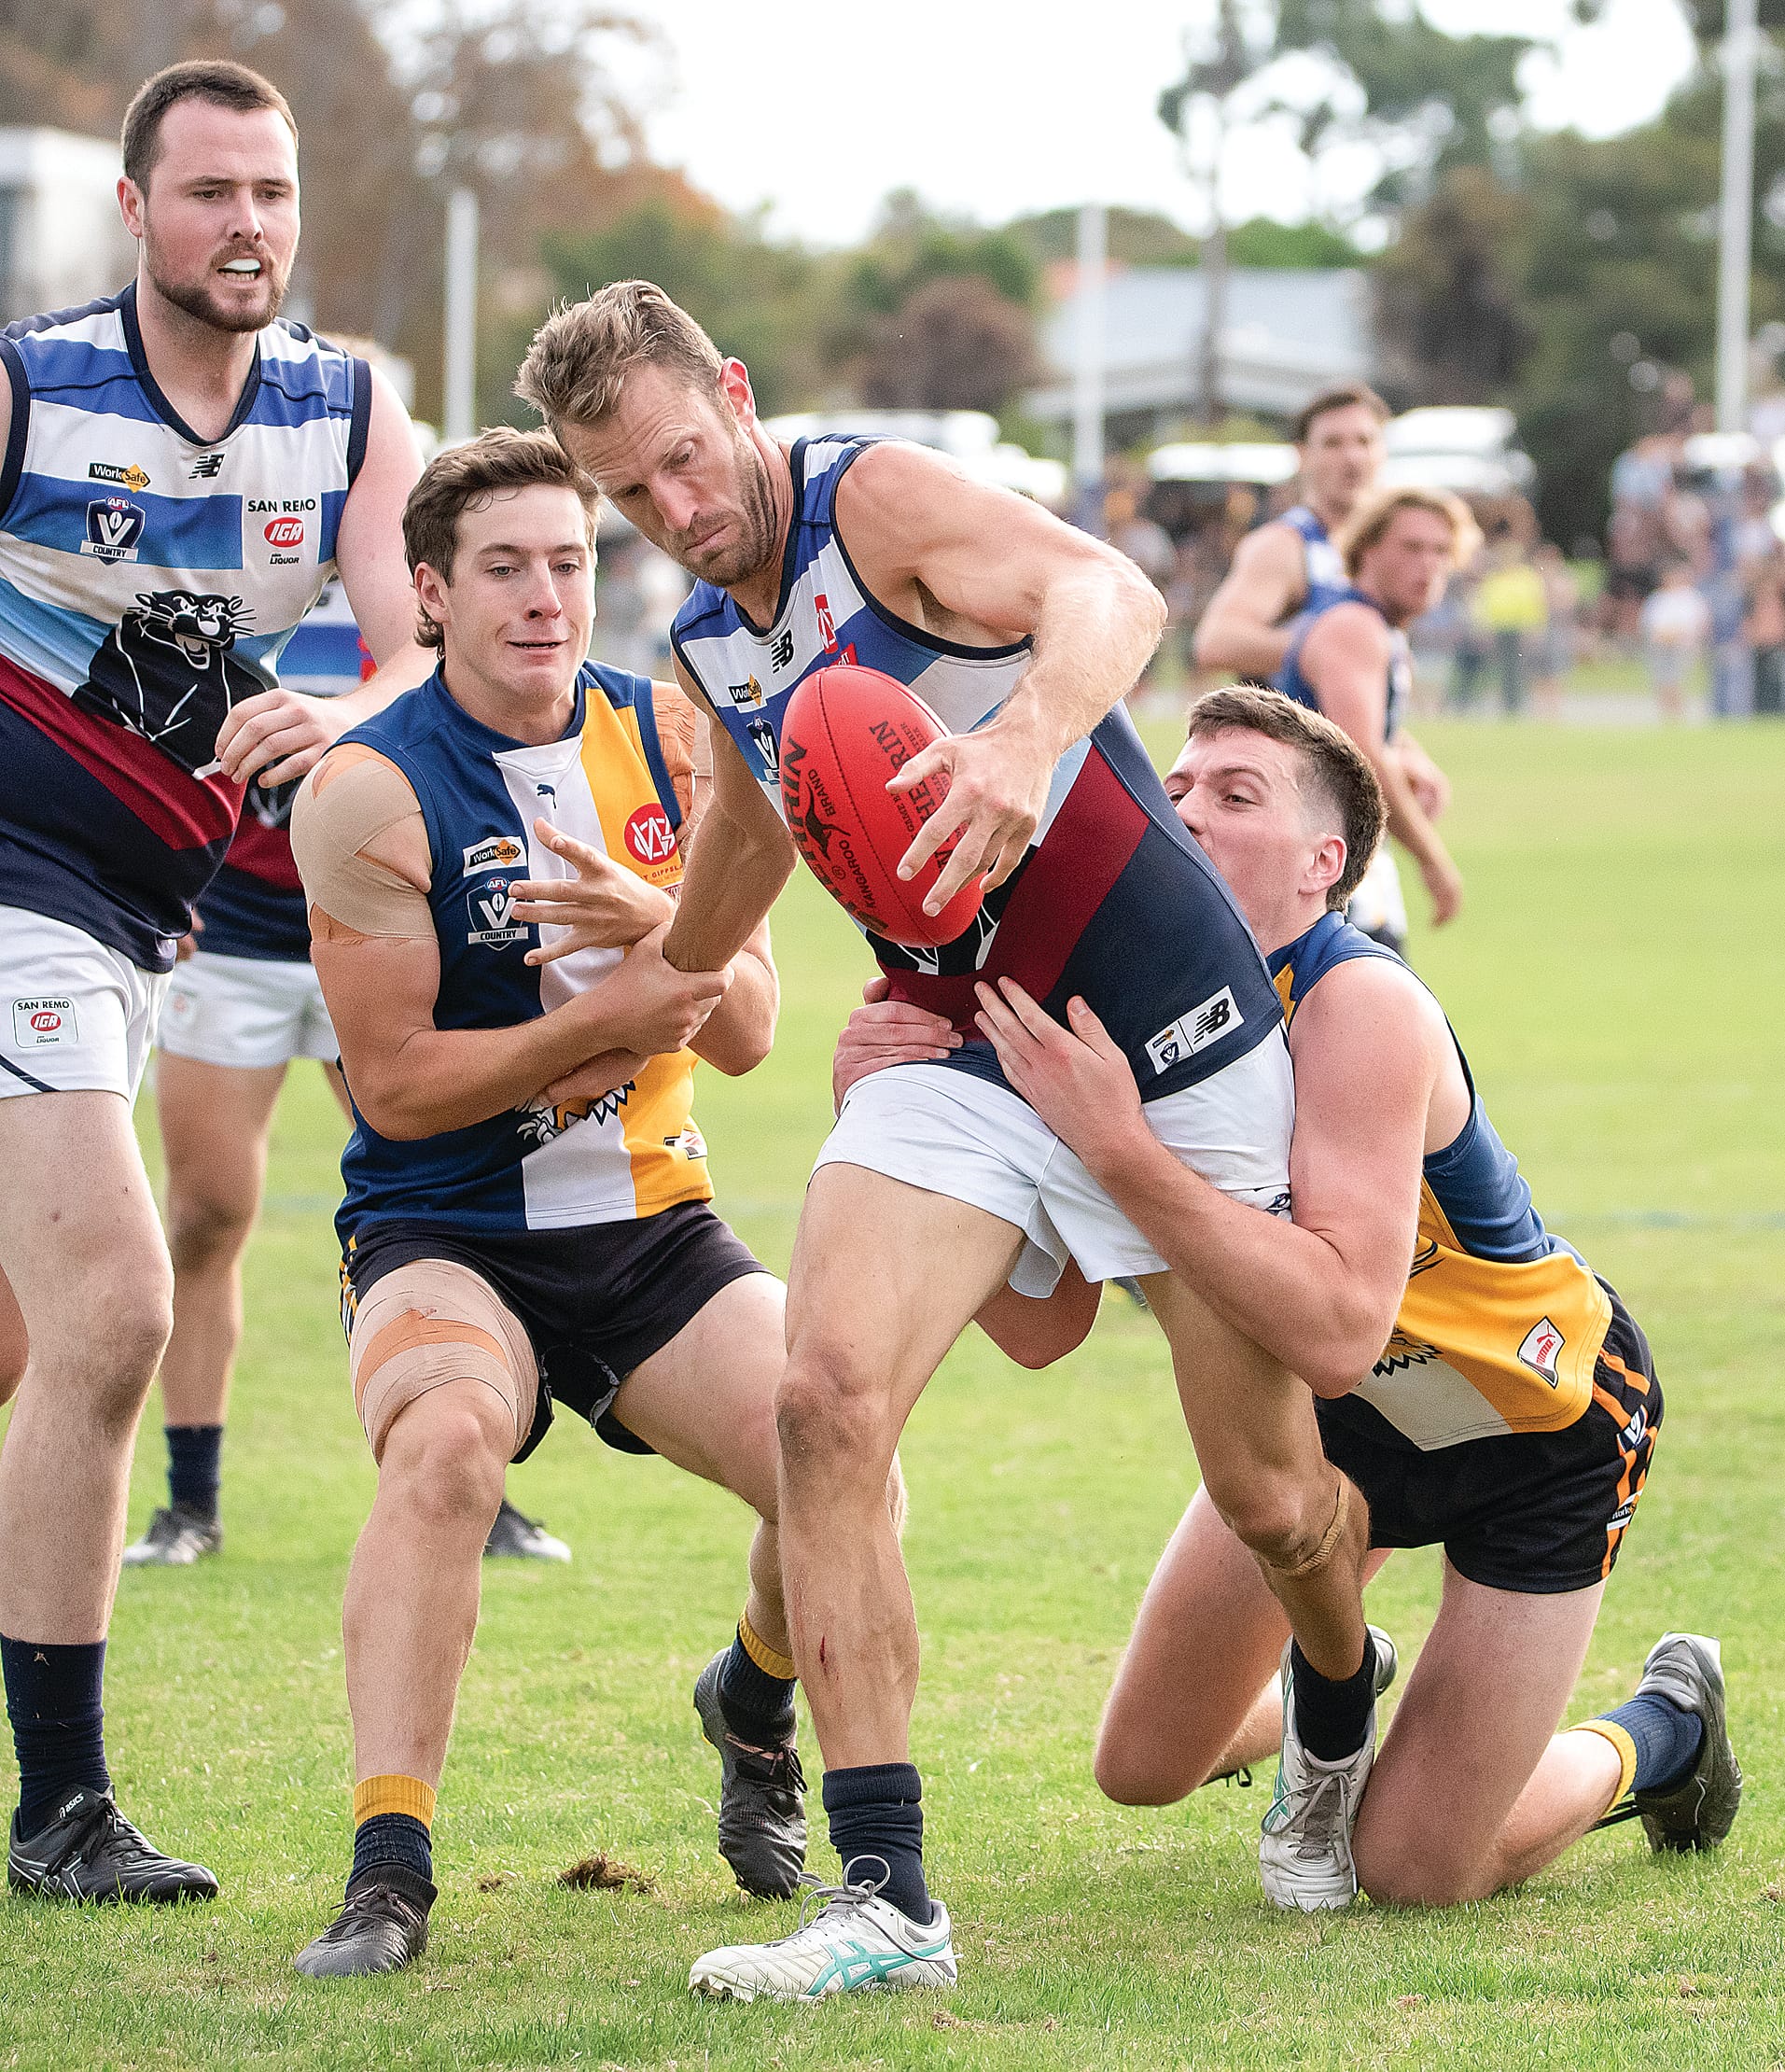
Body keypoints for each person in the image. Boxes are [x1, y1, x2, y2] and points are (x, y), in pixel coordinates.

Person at [517, 281, 1377, 2000]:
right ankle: (886, 1895)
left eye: (686, 459)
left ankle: (1337, 1731)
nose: (676, 512)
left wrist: (1025, 737)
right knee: (821, 1403)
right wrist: (646, 992)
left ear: (735, 394)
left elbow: (1108, 590)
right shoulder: (702, 641)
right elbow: (750, 841)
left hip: (1167, 1036)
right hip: (959, 1040)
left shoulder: (877, 500)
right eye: (628, 495)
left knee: (1272, 1500)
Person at [838, 685, 1739, 1909]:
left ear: (1326, 865)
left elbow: (1334, 1329)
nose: (1185, 807)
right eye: (1178, 785)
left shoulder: (1357, 1002)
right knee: (1146, 1767)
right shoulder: (1104, 1007)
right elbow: (1045, 1331)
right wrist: (897, 1112)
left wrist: (1120, 1153)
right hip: (1333, 1432)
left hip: (1535, 1423)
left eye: (1236, 791)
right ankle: (1344, 1675)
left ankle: (1663, 1724)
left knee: (1419, 1870)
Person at [286, 427, 872, 1978]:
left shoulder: (676, 739)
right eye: (504, 568)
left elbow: (744, 1030)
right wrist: (620, 1007)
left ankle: (749, 1704)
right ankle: (387, 1872)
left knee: (844, 1454)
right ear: (429, 590)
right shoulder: (368, 792)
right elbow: (399, 1087)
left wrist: (653, 927)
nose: (547, 595)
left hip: (649, 1227)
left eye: (570, 560)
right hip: (444, 1228)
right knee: (449, 1444)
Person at [0, 61, 433, 1904]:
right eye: (208, 195)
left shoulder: (345, 414)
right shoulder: (32, 384)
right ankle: (62, 1814)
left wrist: (345, 706)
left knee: (25, 1348)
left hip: (144, 920)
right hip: (14, 889)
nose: (246, 225)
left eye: (270, 193)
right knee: (110, 1310)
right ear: (136, 210)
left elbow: (415, 659)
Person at [131, 564, 574, 1569]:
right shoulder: (217, 561)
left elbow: (442, 701)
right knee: (205, 1216)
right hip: (229, 932)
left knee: (450, 1201)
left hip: (379, 931)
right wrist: (146, 868)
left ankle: (477, 1475)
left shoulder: (407, 589)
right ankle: (189, 1502)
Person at [1272, 486, 1476, 949]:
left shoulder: (1375, 626)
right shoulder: (1355, 626)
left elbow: (1345, 724)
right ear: (1366, 548)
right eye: (1412, 547)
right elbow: (1360, 753)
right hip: (1318, 866)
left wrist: (1404, 748)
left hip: (1339, 863)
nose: (1429, 564)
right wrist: (1431, 857)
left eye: (1442, 551)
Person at [1192, 383, 1389, 681]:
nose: (1352, 458)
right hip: (1290, 727)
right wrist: (1326, 648)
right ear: (1303, 455)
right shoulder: (1285, 544)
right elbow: (1215, 642)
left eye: (1364, 441)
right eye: (1333, 444)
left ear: (1383, 451)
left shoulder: (1377, 547)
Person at [1639, 560, 1709, 721]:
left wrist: (1677, 634)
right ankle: (1667, 715)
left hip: (1682, 648)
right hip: (1661, 648)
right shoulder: (1658, 599)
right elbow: (1650, 625)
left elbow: (1698, 624)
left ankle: (1678, 714)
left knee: (1677, 682)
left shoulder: (1691, 598)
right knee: (1662, 681)